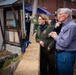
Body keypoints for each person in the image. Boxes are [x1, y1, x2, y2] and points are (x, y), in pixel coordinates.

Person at [49, 8, 76, 75]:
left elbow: (64, 43)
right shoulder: (64, 25)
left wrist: (55, 36)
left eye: (60, 14)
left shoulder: (70, 26)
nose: (58, 16)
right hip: (62, 54)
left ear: (66, 15)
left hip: (66, 55)